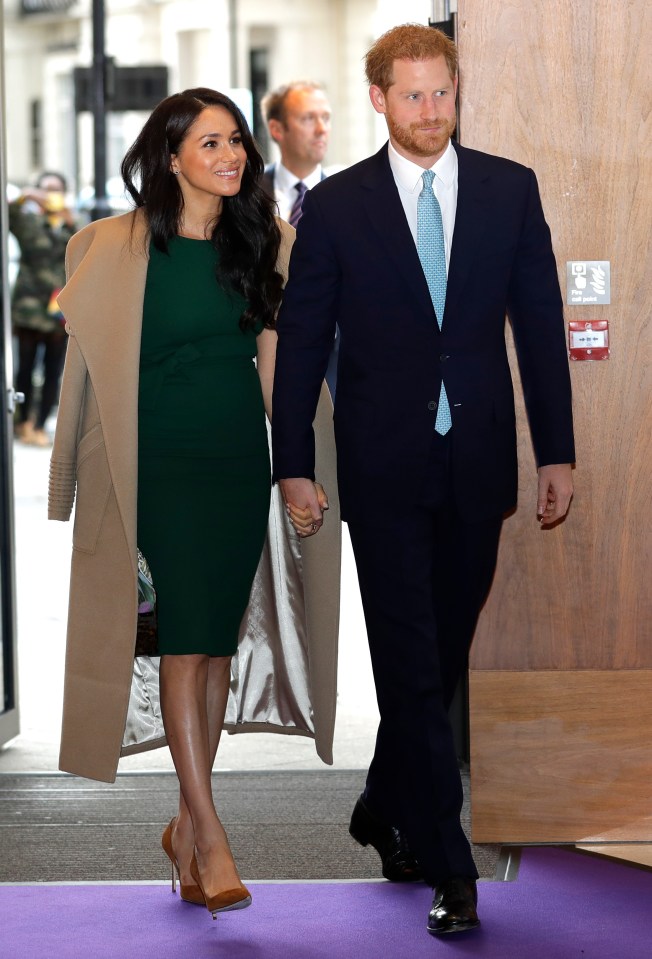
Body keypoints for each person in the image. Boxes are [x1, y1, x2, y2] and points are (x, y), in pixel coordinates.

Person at [272, 24, 574, 938]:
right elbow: (303, 346)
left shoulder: (507, 190)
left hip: (478, 460)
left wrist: (556, 450)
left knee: (436, 656)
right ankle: (451, 864)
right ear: (379, 100)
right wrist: (293, 464)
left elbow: (538, 323)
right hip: (383, 467)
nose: (430, 112)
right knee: (409, 658)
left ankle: (379, 805)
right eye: (411, 95)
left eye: (441, 93)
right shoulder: (336, 208)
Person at [48, 88, 338, 920]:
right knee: (182, 641)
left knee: (212, 644)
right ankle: (209, 831)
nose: (231, 155)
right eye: (209, 142)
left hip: (236, 460)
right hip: (156, 465)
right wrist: (67, 480)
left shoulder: (268, 239)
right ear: (168, 156)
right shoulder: (106, 246)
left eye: (237, 141)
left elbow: (283, 365)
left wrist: (297, 467)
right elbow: (81, 376)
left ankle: (182, 826)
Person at [259, 80, 340, 397]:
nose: (321, 129)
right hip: (261, 362)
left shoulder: (344, 200)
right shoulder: (245, 197)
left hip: (332, 368)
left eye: (326, 117)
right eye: (308, 118)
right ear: (277, 129)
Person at [10, 171, 77, 446]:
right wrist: (26, 194)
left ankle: (39, 425)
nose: (51, 195)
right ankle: (22, 421)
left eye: (56, 190)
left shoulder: (69, 222)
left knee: (53, 369)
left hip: (59, 308)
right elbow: (8, 213)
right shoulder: (27, 221)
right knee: (24, 367)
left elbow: (88, 243)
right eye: (46, 190)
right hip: (28, 305)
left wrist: (68, 218)